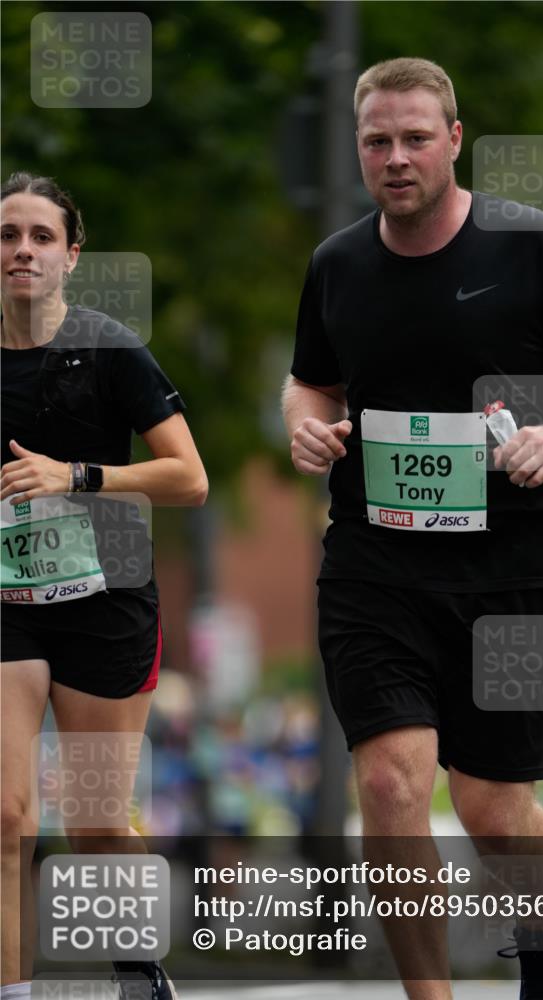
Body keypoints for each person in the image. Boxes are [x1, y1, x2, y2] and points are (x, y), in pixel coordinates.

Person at [282, 58, 543, 1000]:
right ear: (358, 149)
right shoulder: (338, 264)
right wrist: (304, 424)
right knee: (393, 790)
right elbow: (311, 378)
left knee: (492, 810)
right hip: (375, 564)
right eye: (376, 141)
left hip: (515, 567)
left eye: (414, 137)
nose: (395, 157)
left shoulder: (525, 246)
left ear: (452, 140)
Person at [0, 173, 208, 1000]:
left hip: (105, 604)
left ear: (70, 254)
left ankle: (138, 965)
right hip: (6, 606)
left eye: (40, 236)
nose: (21, 249)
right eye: (7, 235)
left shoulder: (111, 348)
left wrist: (74, 476)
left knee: (92, 824)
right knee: (7, 817)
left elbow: (189, 478)